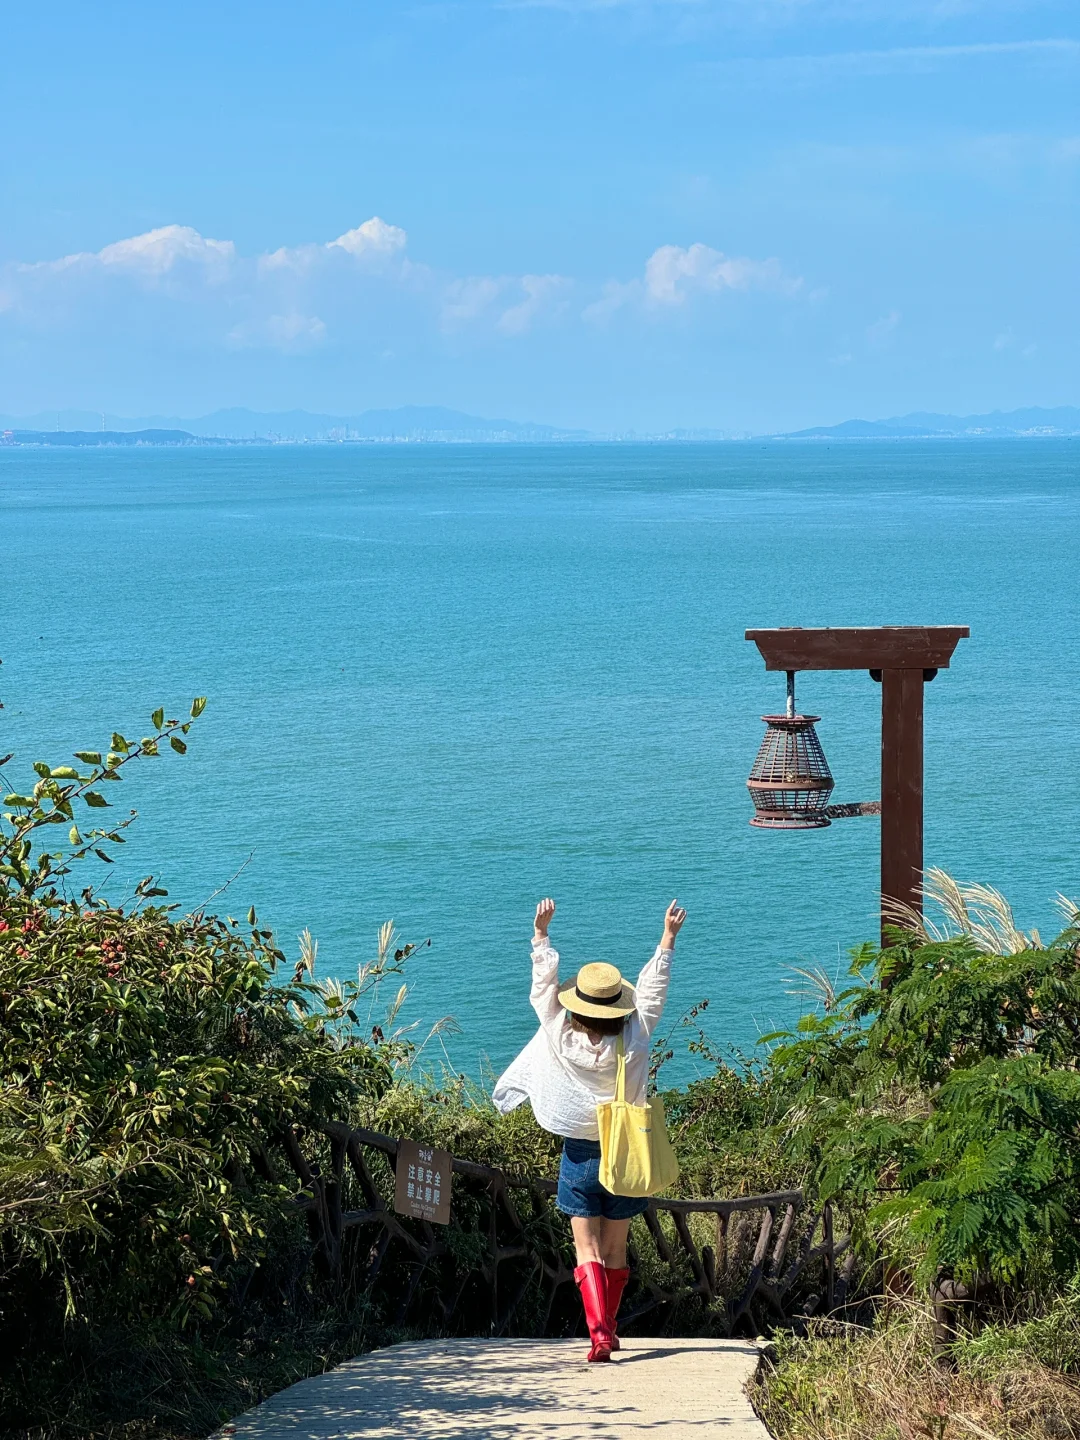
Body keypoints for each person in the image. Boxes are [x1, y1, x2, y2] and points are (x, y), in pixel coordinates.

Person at [492, 896, 687, 1362]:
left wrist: (541, 935)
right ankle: (610, 1329)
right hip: (627, 1154)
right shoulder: (635, 1037)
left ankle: (599, 1334)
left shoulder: (559, 1033)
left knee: (587, 1248)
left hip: (579, 1155)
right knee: (616, 1248)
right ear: (618, 1005)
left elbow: (542, 991)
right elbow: (653, 990)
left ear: (577, 1005)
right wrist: (667, 938)